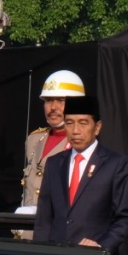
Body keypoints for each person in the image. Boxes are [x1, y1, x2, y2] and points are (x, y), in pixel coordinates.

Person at [32, 93, 128, 255]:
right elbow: (44, 219)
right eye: (69, 123)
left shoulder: (115, 164)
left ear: (97, 127)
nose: (75, 131)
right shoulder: (54, 163)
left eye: (83, 123)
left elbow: (125, 219)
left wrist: (101, 246)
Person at [20, 70, 83, 213]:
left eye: (61, 100)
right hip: (28, 224)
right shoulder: (34, 140)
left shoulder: (82, 144)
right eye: (48, 100)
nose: (53, 107)